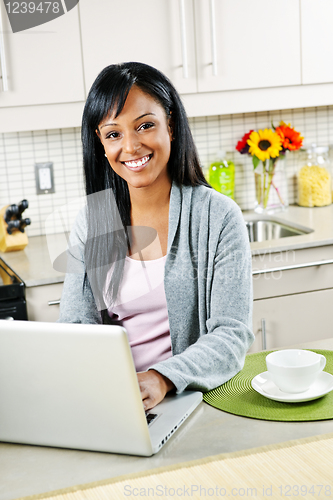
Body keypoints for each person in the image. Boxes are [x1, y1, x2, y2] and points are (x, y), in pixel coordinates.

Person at [58, 61, 254, 411]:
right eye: (114, 133)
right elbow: (76, 325)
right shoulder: (94, 219)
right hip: (116, 402)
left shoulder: (218, 216)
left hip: (190, 399)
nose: (131, 147)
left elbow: (231, 335)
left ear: (171, 126)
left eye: (145, 126)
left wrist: (162, 377)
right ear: (101, 145)